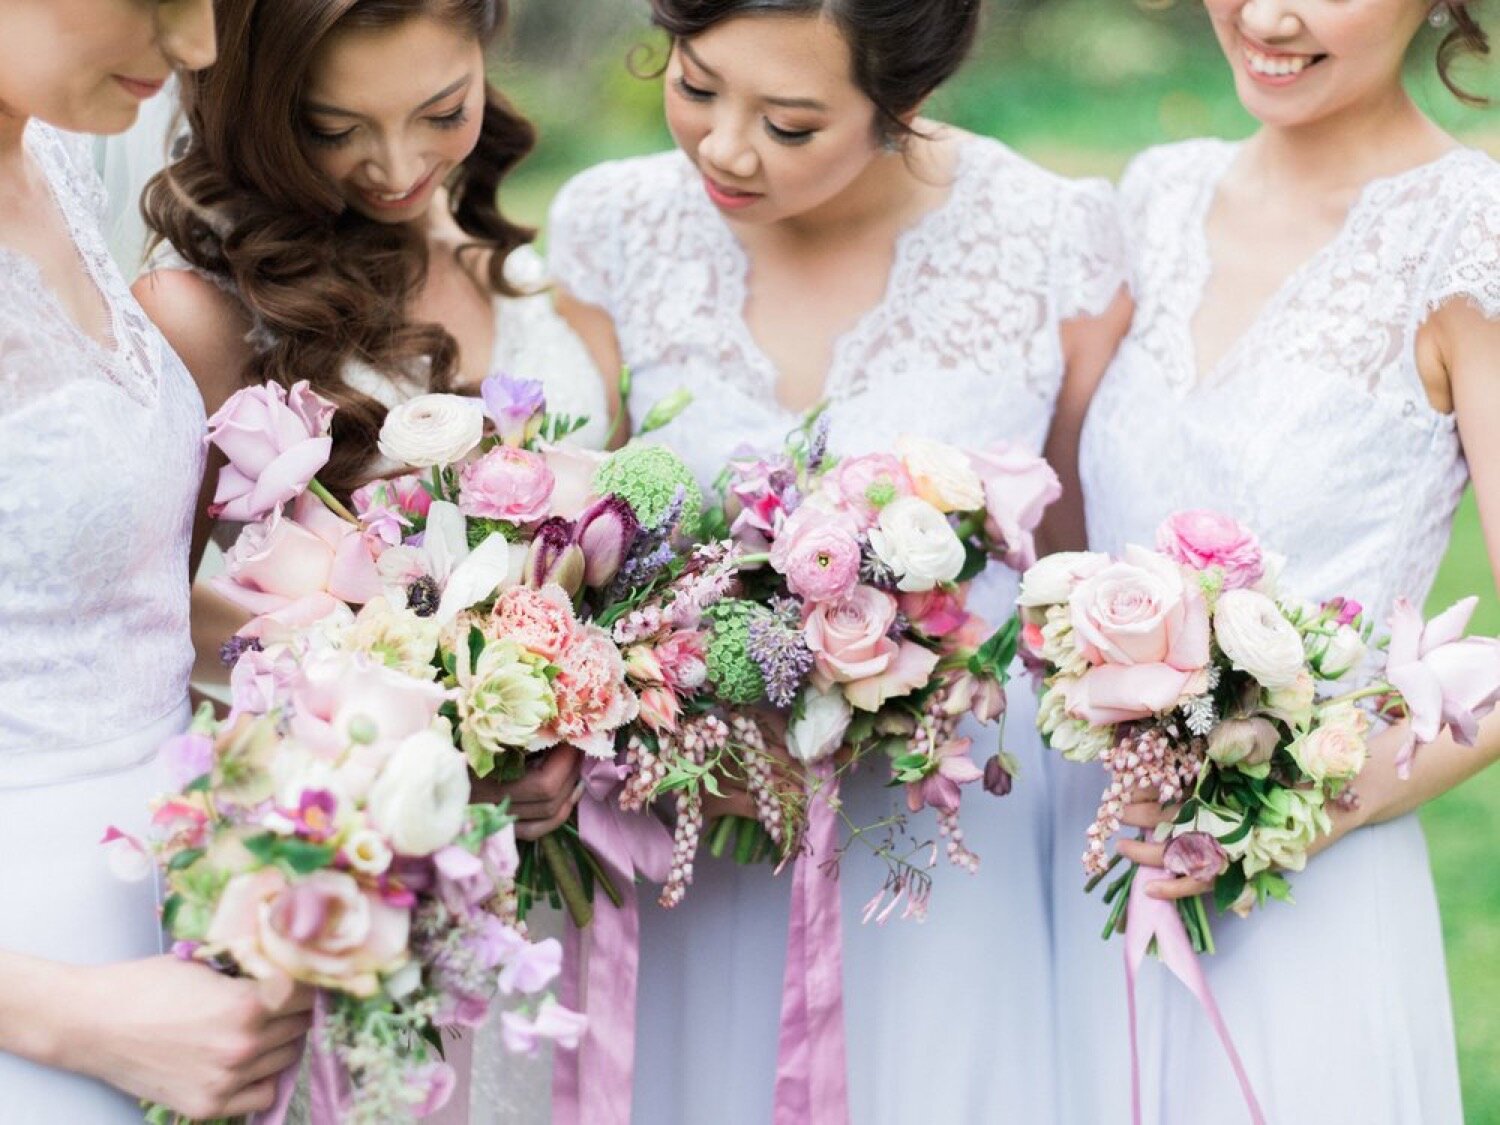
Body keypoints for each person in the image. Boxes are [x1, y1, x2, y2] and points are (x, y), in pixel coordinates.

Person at [547, 1, 1132, 1119]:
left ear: (899, 106)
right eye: (697, 84)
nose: (725, 146)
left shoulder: (1050, 235)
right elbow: (578, 559)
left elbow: (1074, 566)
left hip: (946, 844)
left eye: (791, 124)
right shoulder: (611, 225)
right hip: (698, 833)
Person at [133, 2, 611, 1117]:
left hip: (541, 914)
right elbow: (134, 613)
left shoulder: (537, 285)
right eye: (331, 126)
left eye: (441, 112)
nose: (395, 167)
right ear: (255, 108)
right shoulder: (201, 313)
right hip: (336, 876)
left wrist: (569, 724)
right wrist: (385, 665)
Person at [1051, 1, 1500, 1121]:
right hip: (1075, 869)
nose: (1265, 14)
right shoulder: (1154, 194)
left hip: (1305, 903)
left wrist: (1297, 813)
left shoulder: (1469, 235)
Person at [0, 2, 317, 1120]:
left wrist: (364, 668)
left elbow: (61, 595)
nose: (199, 48)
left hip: (177, 931)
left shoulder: (53, 159)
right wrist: (70, 1018)